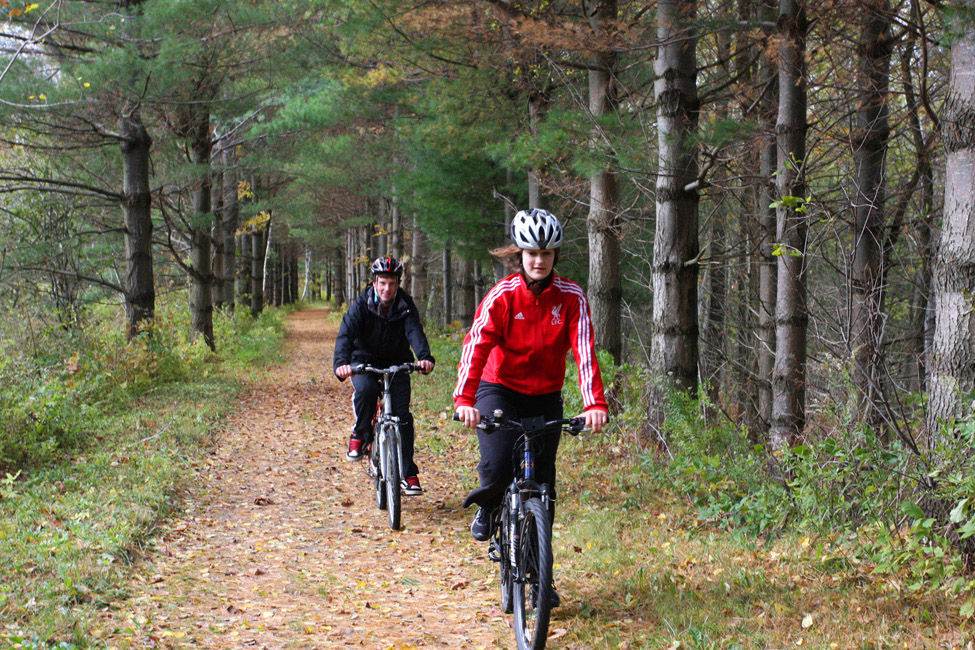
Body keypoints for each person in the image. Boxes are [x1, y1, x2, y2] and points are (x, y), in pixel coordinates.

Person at [453, 208, 609, 552]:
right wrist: (464, 400)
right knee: (496, 464)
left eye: (547, 253)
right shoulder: (503, 296)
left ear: (556, 255)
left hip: (545, 394)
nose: (539, 261)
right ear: (519, 254)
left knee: (543, 483)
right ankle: (491, 503)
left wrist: (594, 404)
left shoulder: (571, 297)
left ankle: (540, 570)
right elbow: (476, 347)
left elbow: (584, 350)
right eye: (532, 253)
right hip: (500, 389)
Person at [334, 255, 435, 496]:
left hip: (398, 362)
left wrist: (424, 357)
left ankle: (408, 473)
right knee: (367, 390)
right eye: (382, 283)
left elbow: (414, 331)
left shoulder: (405, 305)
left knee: (402, 417)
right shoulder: (363, 304)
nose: (386, 288)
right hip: (363, 360)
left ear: (398, 283)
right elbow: (346, 334)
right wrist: (342, 363)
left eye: (391, 283)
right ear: (374, 282)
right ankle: (360, 433)